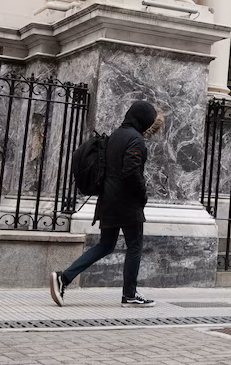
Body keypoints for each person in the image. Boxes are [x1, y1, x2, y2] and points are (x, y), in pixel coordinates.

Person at [51, 100, 163, 307]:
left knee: (105, 245)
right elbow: (131, 171)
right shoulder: (136, 140)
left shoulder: (115, 136)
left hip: (107, 201)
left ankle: (63, 277)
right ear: (144, 120)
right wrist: (142, 195)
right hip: (127, 203)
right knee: (135, 246)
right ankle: (129, 294)